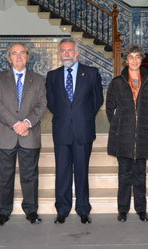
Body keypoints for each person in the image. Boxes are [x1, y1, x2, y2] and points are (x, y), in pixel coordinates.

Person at [46, 38, 103, 224]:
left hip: (83, 130)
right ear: (59, 53)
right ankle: (62, 210)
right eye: (63, 51)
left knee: (81, 171)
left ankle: (83, 209)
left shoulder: (92, 73)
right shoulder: (52, 76)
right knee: (62, 171)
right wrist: (67, 116)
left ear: (77, 52)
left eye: (70, 50)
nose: (66, 54)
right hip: (61, 130)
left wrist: (82, 116)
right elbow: (52, 103)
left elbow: (97, 101)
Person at [0, 43, 47, 225]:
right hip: (6, 134)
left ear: (28, 56)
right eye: (14, 54)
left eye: (22, 53)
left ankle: (31, 211)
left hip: (29, 135)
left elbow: (41, 104)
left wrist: (27, 123)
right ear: (9, 58)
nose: (18, 57)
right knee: (4, 176)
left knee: (29, 176)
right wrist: (15, 124)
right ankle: (2, 212)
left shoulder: (38, 80)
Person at [106, 44, 148, 223]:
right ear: (126, 61)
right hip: (124, 137)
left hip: (142, 135)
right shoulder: (117, 83)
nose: (134, 60)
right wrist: (121, 125)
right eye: (131, 57)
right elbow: (109, 108)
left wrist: (141, 123)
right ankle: (123, 210)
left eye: (137, 57)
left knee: (140, 175)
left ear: (141, 59)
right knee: (124, 174)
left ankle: (141, 209)